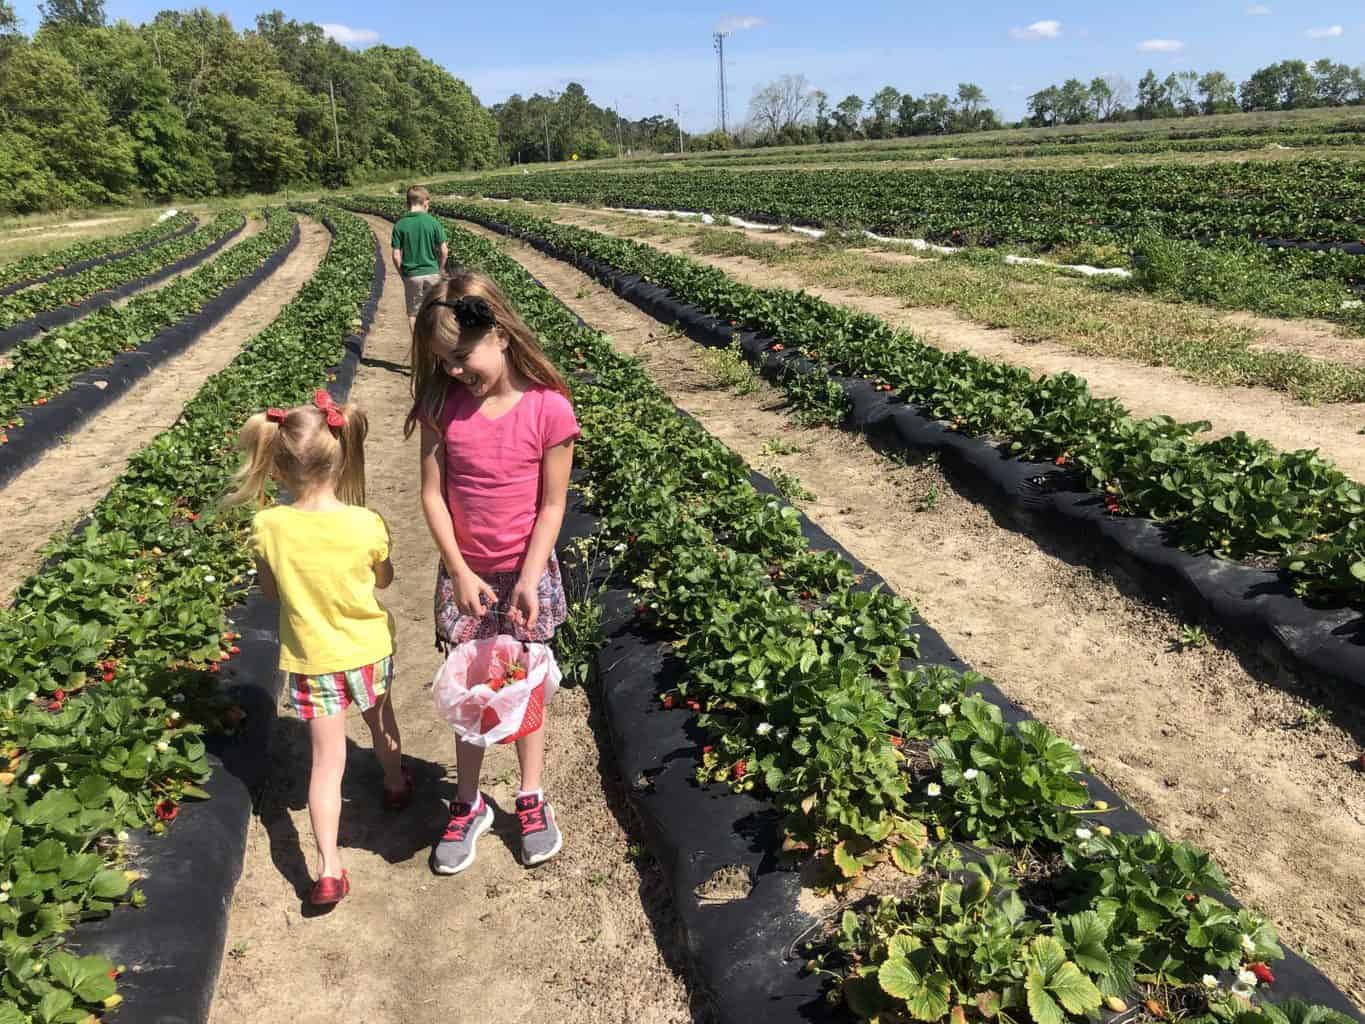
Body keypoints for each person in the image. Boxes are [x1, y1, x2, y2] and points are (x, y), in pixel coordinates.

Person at [407, 271, 578, 875]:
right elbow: (432, 496)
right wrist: (457, 570)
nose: (453, 372)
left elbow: (553, 505)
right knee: (473, 687)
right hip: (468, 577)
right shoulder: (440, 407)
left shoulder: (549, 408)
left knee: (525, 683)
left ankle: (529, 796)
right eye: (442, 362)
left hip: (525, 574)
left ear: (501, 334)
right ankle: (468, 801)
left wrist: (531, 576)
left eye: (460, 358)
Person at [225, 390, 410, 906]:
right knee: (380, 721)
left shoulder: (268, 527)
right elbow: (386, 579)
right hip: (367, 649)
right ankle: (395, 784)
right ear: (341, 456)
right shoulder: (365, 523)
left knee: (326, 762)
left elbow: (269, 592)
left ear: (278, 467)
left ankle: (328, 868)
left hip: (311, 660)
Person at [391, 185, 449, 336]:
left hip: (412, 275)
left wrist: (403, 274)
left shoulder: (400, 224)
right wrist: (440, 269)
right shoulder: (433, 222)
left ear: (407, 203)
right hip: (432, 273)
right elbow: (444, 251)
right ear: (425, 202)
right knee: (435, 311)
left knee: (413, 313)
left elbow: (396, 256)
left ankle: (419, 349)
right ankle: (437, 347)